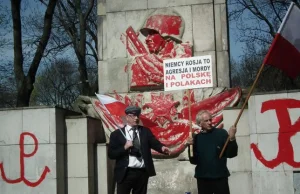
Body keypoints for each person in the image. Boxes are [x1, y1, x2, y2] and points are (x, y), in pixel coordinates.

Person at [108, 105, 170, 194]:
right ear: (127, 117)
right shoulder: (116, 134)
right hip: (125, 173)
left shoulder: (145, 131)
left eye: (137, 115)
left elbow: (154, 142)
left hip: (142, 173)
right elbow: (111, 154)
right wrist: (125, 147)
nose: (136, 118)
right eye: (133, 116)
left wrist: (162, 147)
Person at [122, 9, 192, 88]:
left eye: (152, 33)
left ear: (168, 37)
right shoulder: (141, 62)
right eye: (148, 35)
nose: (147, 39)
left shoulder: (183, 56)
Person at [186, 110, 238, 194]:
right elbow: (193, 161)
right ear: (200, 123)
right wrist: (190, 146)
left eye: (210, 120)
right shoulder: (196, 138)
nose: (210, 122)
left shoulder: (221, 133)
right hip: (203, 178)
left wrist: (232, 139)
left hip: (220, 177)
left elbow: (232, 154)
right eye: (206, 121)